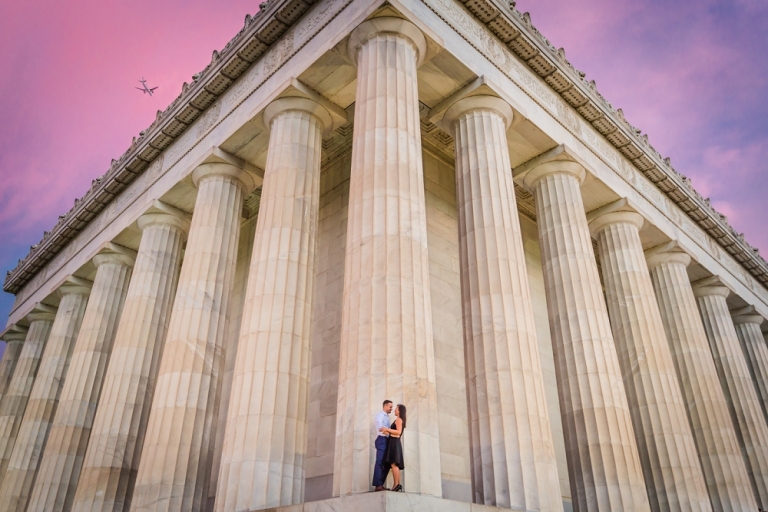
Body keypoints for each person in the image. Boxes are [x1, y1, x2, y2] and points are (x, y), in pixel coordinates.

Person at [380, 403, 406, 492]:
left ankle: (396, 484)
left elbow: (398, 432)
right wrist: (387, 432)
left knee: (394, 464)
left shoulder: (398, 420)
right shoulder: (399, 420)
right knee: (394, 464)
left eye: (396, 409)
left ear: (400, 411)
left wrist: (386, 429)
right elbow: (395, 434)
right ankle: (397, 484)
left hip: (394, 443)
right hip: (394, 442)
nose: (394, 410)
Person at [372, 400, 393, 491]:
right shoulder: (380, 415)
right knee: (380, 462)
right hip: (382, 439)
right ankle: (378, 485)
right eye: (390, 407)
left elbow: (385, 429)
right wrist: (389, 431)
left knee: (386, 463)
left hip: (386, 440)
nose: (391, 408)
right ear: (385, 406)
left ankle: (380, 483)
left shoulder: (387, 417)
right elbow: (381, 429)